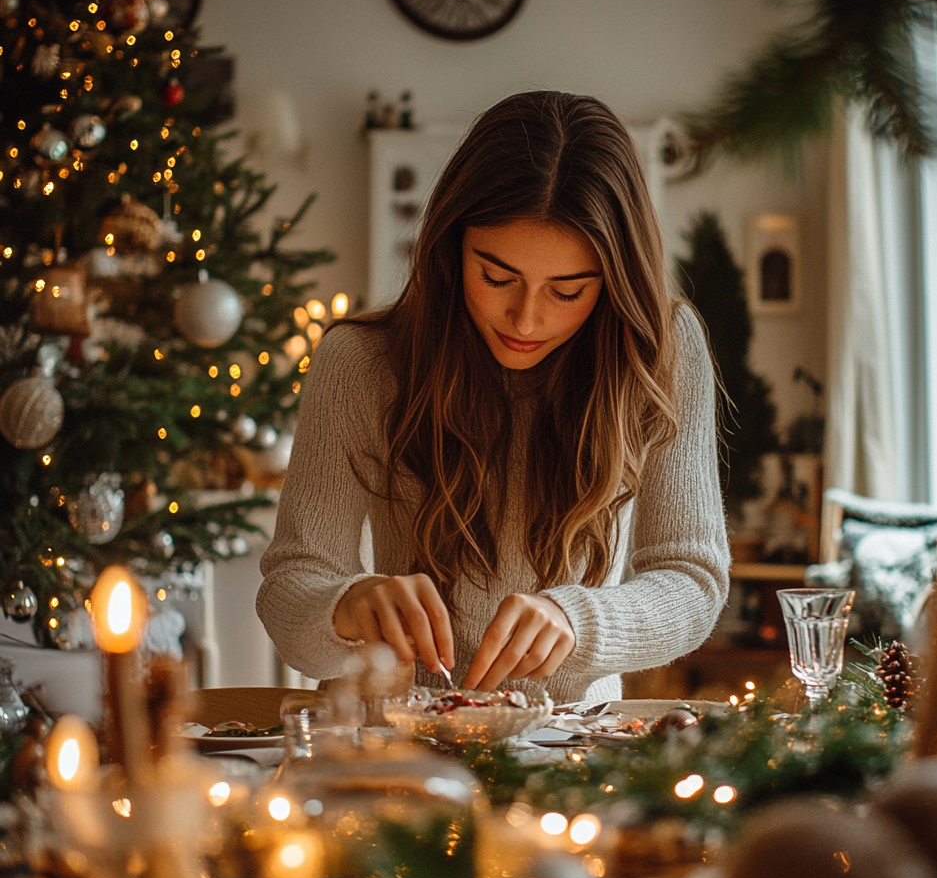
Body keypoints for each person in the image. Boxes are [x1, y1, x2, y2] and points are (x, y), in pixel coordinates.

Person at [257, 90, 729, 704]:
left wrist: (578, 620)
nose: (526, 320)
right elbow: (290, 587)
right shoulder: (360, 361)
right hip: (403, 747)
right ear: (451, 248)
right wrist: (348, 604)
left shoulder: (661, 351)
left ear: (614, 282)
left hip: (578, 746)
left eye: (567, 291)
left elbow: (693, 583)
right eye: (497, 277)